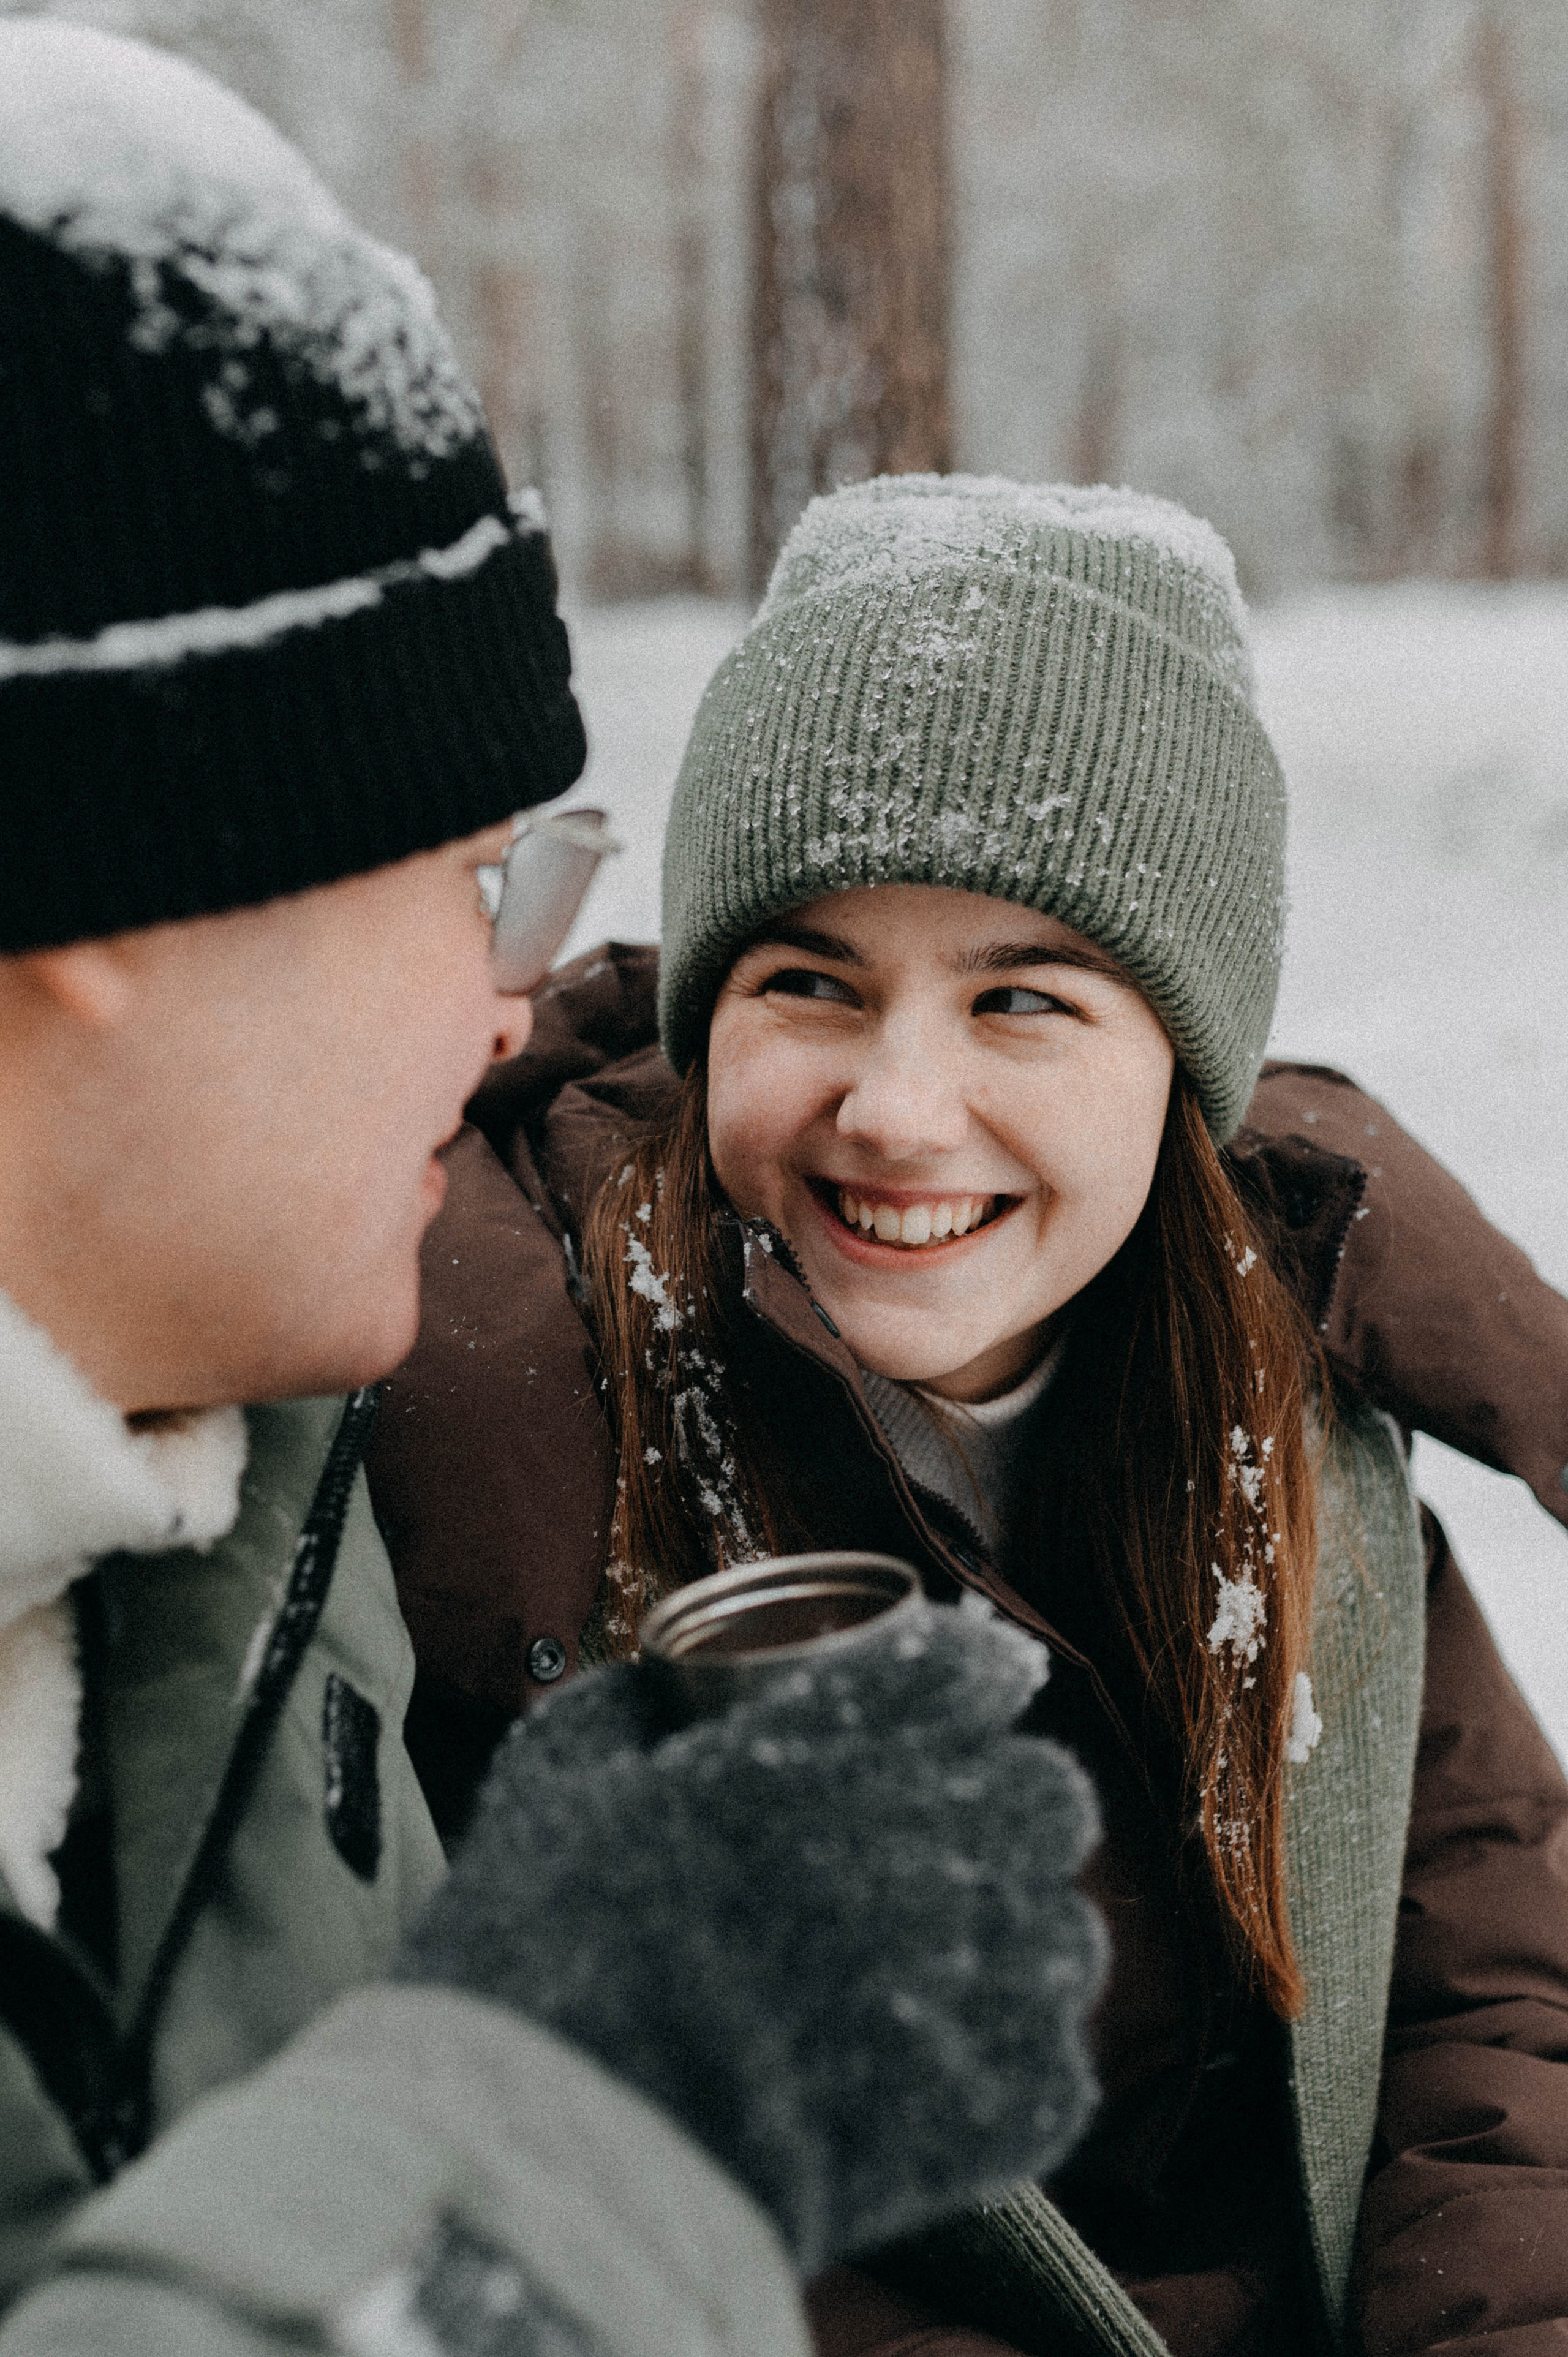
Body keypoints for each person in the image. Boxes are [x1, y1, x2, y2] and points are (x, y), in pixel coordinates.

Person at [0, 37, 1111, 2356]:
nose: (510, 1011)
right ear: (105, 879)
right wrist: (581, 2116)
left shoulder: (235, 1519)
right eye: (469, 881)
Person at [368, 477, 1568, 2357]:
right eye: (808, 984)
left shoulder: (1282, 1400)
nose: (899, 1111)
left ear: (1184, 1072)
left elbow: (1485, 1995)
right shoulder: (505, 1407)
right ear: (704, 1016)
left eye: (1023, 1000)